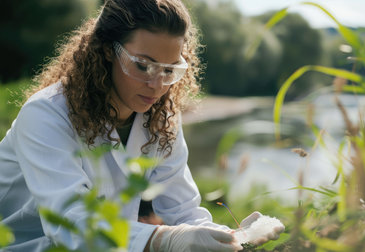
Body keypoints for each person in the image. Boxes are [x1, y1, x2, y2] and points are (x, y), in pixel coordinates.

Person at [0, 0, 284, 251]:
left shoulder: (162, 119)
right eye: (143, 66)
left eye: (170, 69)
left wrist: (231, 237)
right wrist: (164, 240)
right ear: (109, 50)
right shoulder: (46, 115)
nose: (157, 85)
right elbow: (70, 222)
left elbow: (183, 212)